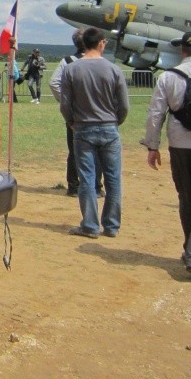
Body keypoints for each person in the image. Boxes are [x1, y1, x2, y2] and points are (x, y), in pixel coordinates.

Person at [140, 31, 191, 280]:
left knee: (187, 199)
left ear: (182, 51)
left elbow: (155, 114)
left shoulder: (168, 77)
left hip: (179, 145)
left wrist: (152, 146)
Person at [58, 27, 129, 238]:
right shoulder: (114, 70)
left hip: (83, 128)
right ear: (101, 43)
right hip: (109, 127)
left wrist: (72, 121)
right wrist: (116, 121)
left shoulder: (71, 69)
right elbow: (123, 105)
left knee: (87, 178)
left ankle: (90, 226)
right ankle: (112, 225)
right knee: (113, 178)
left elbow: (65, 104)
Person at [50, 30, 104, 197]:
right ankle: (96, 186)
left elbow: (54, 83)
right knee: (98, 150)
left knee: (74, 150)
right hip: (97, 112)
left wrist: (66, 101)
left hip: (75, 113)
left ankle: (73, 186)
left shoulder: (67, 62)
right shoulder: (101, 62)